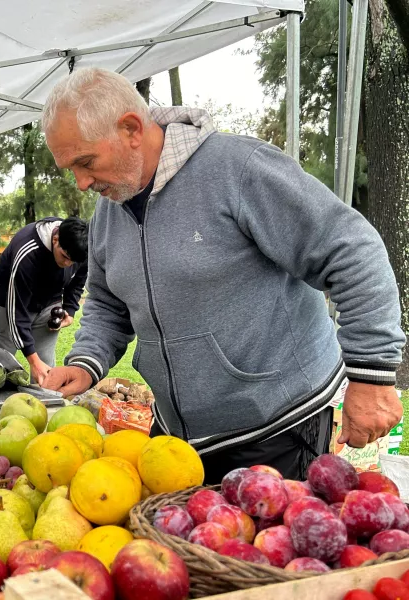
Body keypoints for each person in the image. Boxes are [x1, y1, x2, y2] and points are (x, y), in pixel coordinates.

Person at [41, 67, 405, 483]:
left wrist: (371, 371)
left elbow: (351, 250)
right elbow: (108, 303)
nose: (81, 182)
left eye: (86, 162)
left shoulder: (239, 170)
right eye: (70, 168)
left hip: (275, 431)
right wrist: (88, 362)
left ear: (130, 129)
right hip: (177, 443)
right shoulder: (109, 211)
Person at [0, 216, 89, 385]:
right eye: (64, 256)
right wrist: (32, 360)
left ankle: (43, 408)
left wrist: (70, 310)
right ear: (55, 239)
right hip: (10, 304)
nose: (67, 264)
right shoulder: (28, 252)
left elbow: (78, 279)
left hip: (48, 304)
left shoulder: (83, 249)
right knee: (2, 370)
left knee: (46, 373)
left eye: (73, 261)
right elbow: (16, 312)